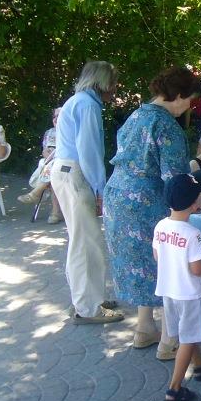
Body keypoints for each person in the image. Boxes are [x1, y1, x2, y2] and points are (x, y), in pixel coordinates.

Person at [104, 66, 201, 355]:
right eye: (189, 101)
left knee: (141, 264)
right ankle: (169, 341)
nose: (189, 107)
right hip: (145, 200)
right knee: (166, 264)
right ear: (179, 95)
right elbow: (175, 179)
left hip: (117, 195)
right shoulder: (167, 126)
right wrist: (196, 198)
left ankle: (144, 328)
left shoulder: (137, 115)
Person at [52, 61, 125, 324]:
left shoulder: (78, 101)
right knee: (86, 243)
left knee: (82, 240)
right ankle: (88, 308)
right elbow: (90, 152)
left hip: (65, 171)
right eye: (113, 83)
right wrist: (100, 189)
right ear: (102, 82)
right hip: (76, 174)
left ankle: (89, 299)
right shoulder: (88, 105)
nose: (115, 89)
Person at [153, 171, 201, 401]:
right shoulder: (193, 234)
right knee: (188, 339)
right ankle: (174, 388)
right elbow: (197, 269)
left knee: (186, 334)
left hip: (168, 291)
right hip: (190, 295)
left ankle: (200, 366)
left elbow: (157, 255)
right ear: (195, 204)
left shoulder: (161, 225)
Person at [18, 107, 64, 223]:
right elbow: (44, 150)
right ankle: (55, 212)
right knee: (52, 172)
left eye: (59, 116)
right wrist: (47, 153)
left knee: (54, 167)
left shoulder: (70, 131)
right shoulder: (49, 132)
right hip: (49, 162)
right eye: (54, 116)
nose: (56, 119)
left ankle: (36, 193)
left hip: (65, 164)